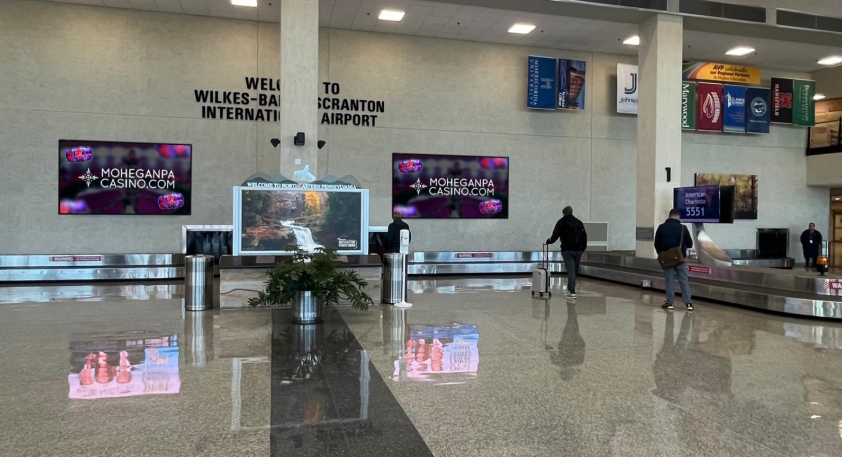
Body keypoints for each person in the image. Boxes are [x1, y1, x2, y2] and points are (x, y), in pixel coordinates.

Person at [654, 209, 694, 311]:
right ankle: (688, 304)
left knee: (669, 280)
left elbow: (656, 244)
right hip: (680, 259)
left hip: (667, 260)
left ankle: (670, 303)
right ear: (678, 217)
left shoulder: (661, 227)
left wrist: (661, 254)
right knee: (683, 280)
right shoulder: (683, 228)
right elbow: (690, 244)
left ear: (669, 216)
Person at [547, 206, 587, 299]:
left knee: (571, 271)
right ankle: (570, 289)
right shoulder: (579, 222)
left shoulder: (561, 222)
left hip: (567, 250)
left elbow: (555, 235)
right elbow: (584, 236)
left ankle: (572, 292)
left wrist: (549, 241)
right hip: (578, 250)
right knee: (575, 270)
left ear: (564, 213)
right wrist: (583, 248)